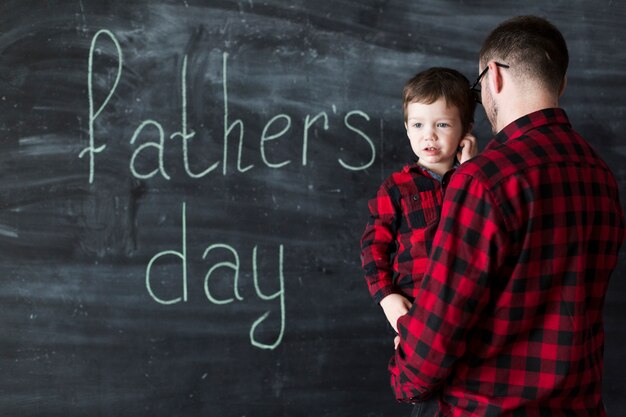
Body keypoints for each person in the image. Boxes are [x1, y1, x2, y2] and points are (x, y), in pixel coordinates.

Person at [390, 15, 626, 417]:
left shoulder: (483, 179)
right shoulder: (600, 174)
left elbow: (440, 328)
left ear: (493, 76)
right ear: (561, 84)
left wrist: (405, 373)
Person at [360, 68, 477, 338]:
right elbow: (372, 247)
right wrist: (387, 297)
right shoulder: (396, 188)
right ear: (406, 128)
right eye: (418, 125)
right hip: (417, 313)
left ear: (466, 129)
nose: (429, 135)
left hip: (471, 313)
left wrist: (471, 170)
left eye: (443, 124)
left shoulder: (477, 182)